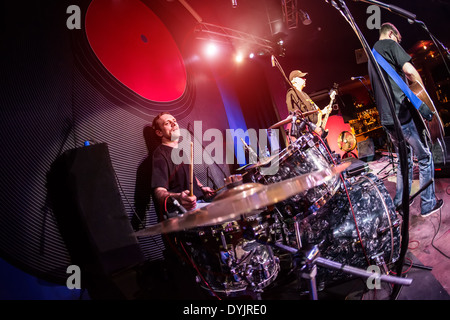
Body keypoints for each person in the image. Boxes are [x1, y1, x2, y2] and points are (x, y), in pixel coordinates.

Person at [368, 22, 443, 217]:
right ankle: (428, 203)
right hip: (401, 115)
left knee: (404, 161)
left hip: (387, 119)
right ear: (391, 34)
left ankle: (401, 203)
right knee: (425, 157)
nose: (398, 43)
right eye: (398, 39)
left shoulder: (372, 55)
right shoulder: (390, 45)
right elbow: (409, 71)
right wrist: (421, 91)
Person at [150, 112, 215, 218]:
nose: (173, 124)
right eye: (167, 123)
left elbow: (191, 176)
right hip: (184, 211)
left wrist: (202, 188)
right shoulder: (160, 154)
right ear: (159, 133)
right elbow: (159, 191)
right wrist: (179, 198)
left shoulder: (182, 152)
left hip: (200, 203)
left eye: (174, 121)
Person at [285, 70, 334, 140]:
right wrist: (311, 127)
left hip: (316, 131)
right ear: (294, 80)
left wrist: (323, 111)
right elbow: (295, 116)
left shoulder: (305, 94)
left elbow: (312, 112)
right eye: (301, 78)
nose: (305, 79)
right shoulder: (291, 93)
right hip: (308, 134)